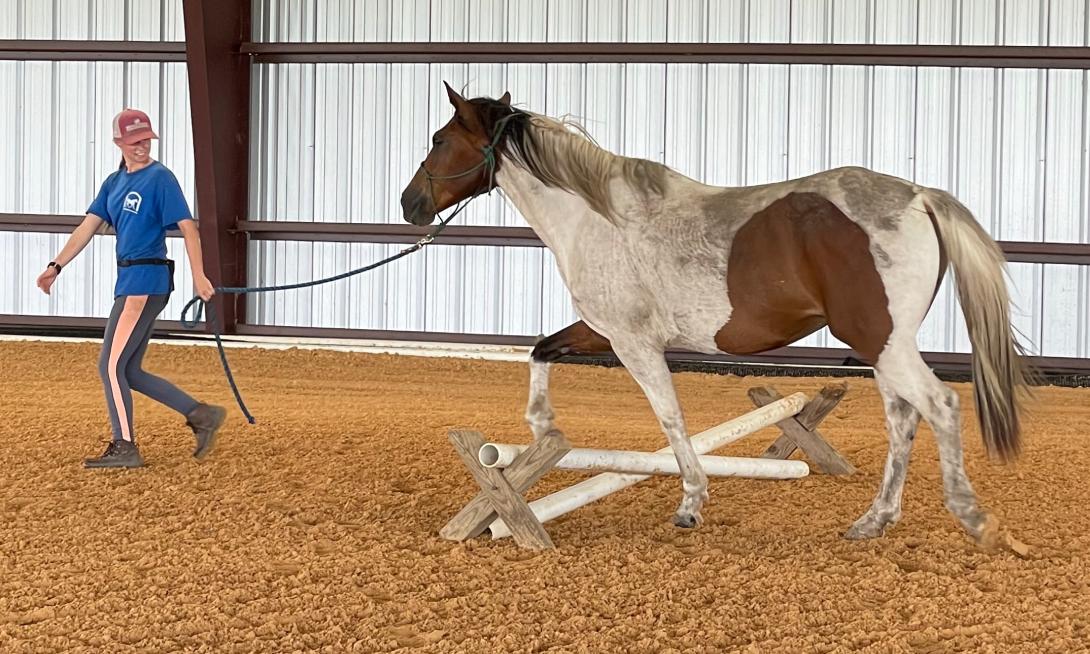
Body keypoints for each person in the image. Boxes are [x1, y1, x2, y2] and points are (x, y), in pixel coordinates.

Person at [35, 108, 226, 469]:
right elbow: (87, 228)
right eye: (135, 141)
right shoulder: (114, 183)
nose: (142, 147)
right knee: (129, 370)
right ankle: (201, 414)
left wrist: (199, 275)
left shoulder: (160, 178)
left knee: (109, 366)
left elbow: (188, 228)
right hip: (132, 280)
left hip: (144, 280)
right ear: (119, 142)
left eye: (146, 141)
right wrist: (56, 265)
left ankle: (125, 447)